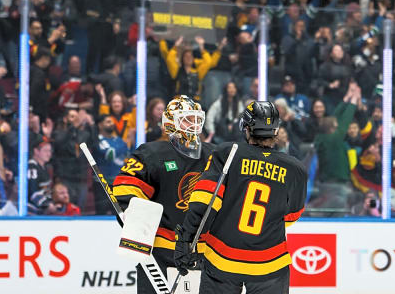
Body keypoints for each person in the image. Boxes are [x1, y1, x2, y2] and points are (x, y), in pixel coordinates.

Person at [176, 101, 307, 293]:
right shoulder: (296, 168)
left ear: (246, 127)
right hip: (270, 263)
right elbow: (291, 216)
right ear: (276, 130)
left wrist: (185, 239)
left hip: (222, 258)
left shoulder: (228, 153)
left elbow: (204, 202)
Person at [111, 95, 215, 294]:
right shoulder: (152, 154)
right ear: (170, 122)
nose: (193, 124)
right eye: (187, 118)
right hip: (161, 251)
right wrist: (131, 212)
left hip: (206, 251)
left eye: (196, 118)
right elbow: (126, 188)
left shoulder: (215, 156)